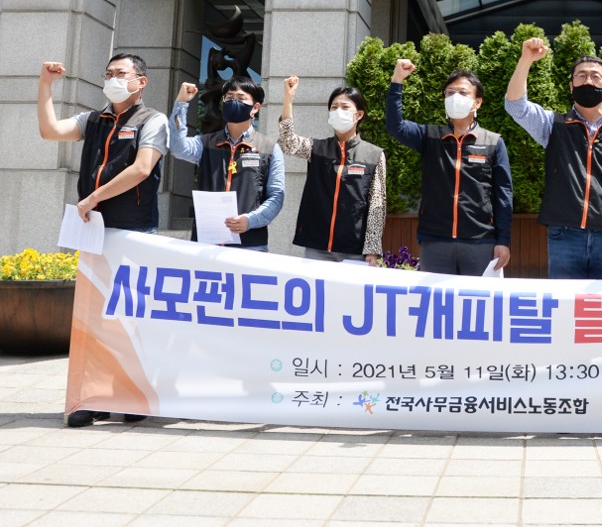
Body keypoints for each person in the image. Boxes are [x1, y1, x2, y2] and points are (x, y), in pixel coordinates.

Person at [38, 54, 167, 427]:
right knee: (92, 320)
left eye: (120, 74)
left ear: (140, 81)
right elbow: (50, 131)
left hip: (135, 229)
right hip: (94, 230)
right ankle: (88, 397)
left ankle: (130, 396)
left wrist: (94, 197)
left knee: (129, 318)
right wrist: (46, 86)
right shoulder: (93, 120)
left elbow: (142, 168)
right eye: (108, 73)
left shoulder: (152, 120)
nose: (112, 79)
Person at [505, 38, 602, 279]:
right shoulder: (553, 125)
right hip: (565, 235)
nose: (588, 80)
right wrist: (526, 60)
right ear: (571, 86)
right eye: (581, 76)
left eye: (595, 76)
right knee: (564, 310)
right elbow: (516, 107)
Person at [386, 59, 513, 275]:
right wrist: (397, 81)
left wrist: (503, 241)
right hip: (435, 241)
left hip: (480, 242)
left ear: (477, 103)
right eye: (449, 93)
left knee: (477, 305)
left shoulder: (493, 142)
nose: (455, 98)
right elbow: (395, 126)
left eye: (463, 93)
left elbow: (503, 195)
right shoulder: (430, 136)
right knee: (437, 306)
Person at [168, 77, 285, 250]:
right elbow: (177, 147)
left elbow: (276, 196)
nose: (234, 102)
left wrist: (250, 220)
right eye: (229, 98)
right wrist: (181, 103)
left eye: (241, 97)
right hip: (205, 244)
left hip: (250, 244)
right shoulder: (206, 143)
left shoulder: (269, 148)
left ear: (255, 108)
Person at [279, 76, 386, 265]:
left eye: (345, 107)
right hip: (317, 246)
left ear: (359, 115)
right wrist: (288, 99)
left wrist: (372, 248)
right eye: (334, 108)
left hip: (354, 248)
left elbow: (378, 203)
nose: (338, 112)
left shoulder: (373, 154)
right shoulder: (316, 148)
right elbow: (288, 144)